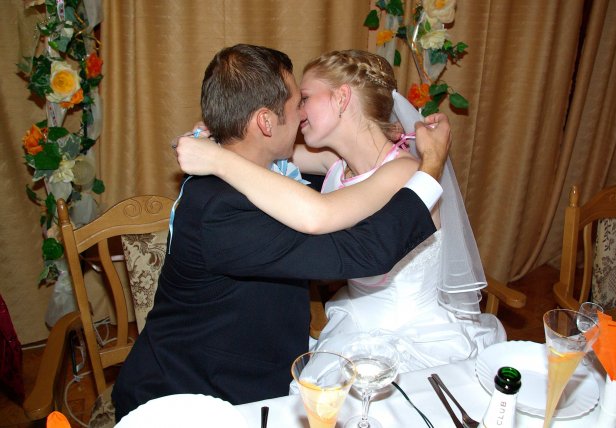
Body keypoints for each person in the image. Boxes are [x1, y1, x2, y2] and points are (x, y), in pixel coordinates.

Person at [112, 44, 450, 422]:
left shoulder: (258, 169)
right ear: (265, 123)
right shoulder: (221, 211)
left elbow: (340, 180)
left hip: (255, 365)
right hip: (195, 394)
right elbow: (360, 250)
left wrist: (215, 146)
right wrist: (431, 166)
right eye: (296, 104)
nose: (302, 113)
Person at [175, 49, 506, 374]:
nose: (299, 112)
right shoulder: (335, 162)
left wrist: (217, 157)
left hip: (411, 334)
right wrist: (220, 136)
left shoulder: (403, 173)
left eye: (305, 98)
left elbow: (320, 213)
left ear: (342, 98)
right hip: (357, 319)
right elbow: (260, 151)